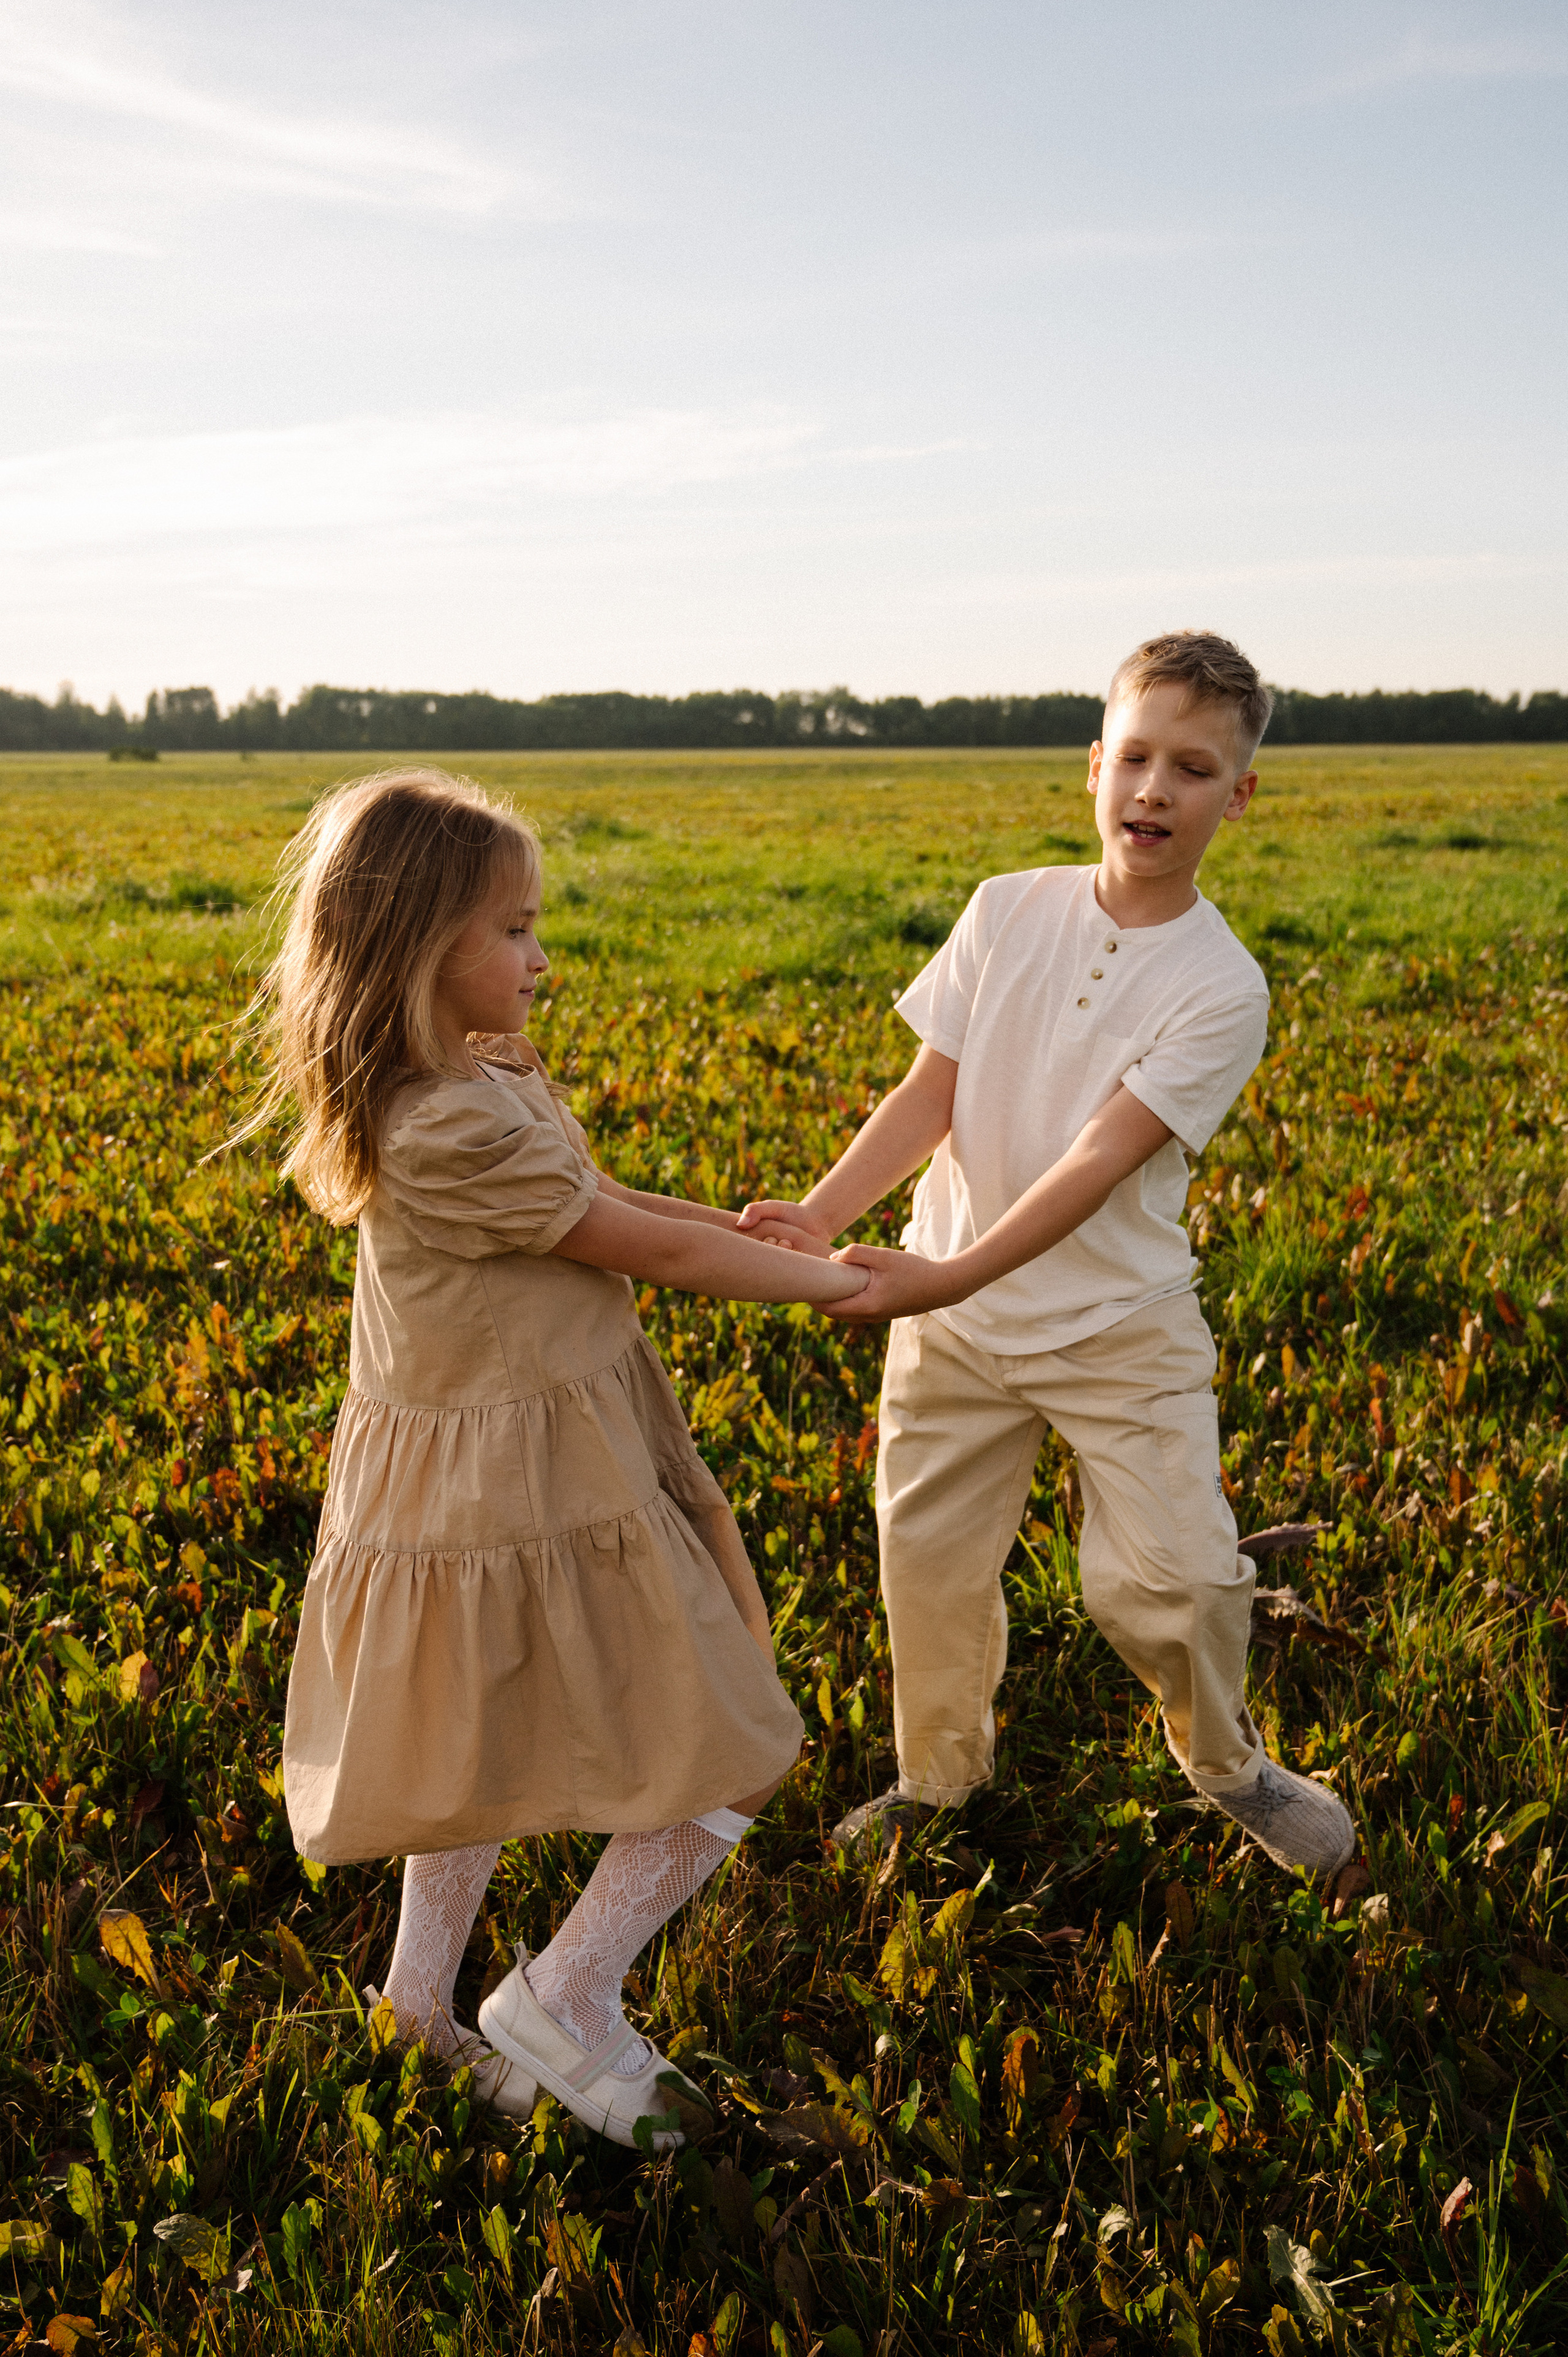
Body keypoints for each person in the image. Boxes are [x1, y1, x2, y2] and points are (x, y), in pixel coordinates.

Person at [238, 768, 869, 2149]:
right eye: (513, 930)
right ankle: (566, 1995)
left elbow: (608, 1205)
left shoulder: (476, 1073)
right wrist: (839, 1292)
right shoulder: (443, 1122)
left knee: (477, 1746)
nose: (542, 958)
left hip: (510, 1468)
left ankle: (414, 2006)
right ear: (418, 951)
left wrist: (747, 1228)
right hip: (522, 1489)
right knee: (740, 1742)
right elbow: (630, 1249)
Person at [738, 630, 1356, 1879]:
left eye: (1190, 769)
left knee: (1172, 1583)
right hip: (952, 1326)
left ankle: (1225, 1765)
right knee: (927, 1566)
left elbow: (1095, 1161)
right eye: (1133, 757)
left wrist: (944, 1275)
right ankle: (936, 1781)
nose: (1152, 790)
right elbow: (931, 1092)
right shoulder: (1002, 909)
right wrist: (819, 1212)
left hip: (1114, 1330)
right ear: (1091, 766)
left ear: (1236, 795)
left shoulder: (1221, 986)